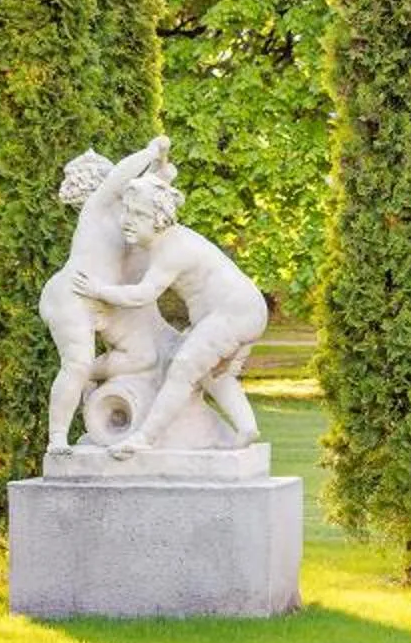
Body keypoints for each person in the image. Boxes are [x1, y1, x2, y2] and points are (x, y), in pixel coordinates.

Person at [75, 170, 269, 455]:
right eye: (126, 212)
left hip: (234, 312)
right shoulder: (168, 240)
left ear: (158, 219)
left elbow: (142, 295)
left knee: (182, 367)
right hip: (245, 311)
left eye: (137, 215)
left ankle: (144, 439)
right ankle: (246, 427)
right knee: (214, 373)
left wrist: (99, 290)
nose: (126, 221)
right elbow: (164, 176)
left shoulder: (171, 249)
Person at [40, 136, 178, 451]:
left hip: (103, 301)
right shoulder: (97, 207)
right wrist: (150, 150)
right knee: (75, 364)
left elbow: (164, 180)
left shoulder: (131, 218)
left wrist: (163, 160)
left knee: (143, 357)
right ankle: (57, 438)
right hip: (73, 294)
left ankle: (93, 383)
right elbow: (122, 176)